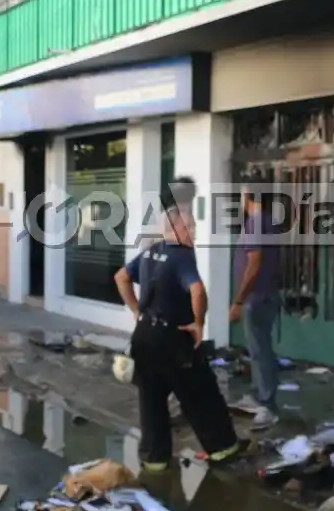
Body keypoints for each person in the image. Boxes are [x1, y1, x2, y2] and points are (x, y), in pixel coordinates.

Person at [114, 176, 240, 472]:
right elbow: (197, 290)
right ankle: (223, 449)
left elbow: (120, 277)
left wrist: (136, 312)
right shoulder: (181, 255)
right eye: (190, 227)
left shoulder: (149, 251)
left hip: (144, 336)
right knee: (200, 393)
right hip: (174, 338)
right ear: (175, 228)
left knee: (152, 400)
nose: (194, 231)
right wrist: (199, 323)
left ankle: (154, 460)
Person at [228, 185, 282, 430]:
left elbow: (254, 262)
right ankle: (258, 395)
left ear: (248, 197)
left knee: (260, 351)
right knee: (258, 349)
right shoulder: (268, 221)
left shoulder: (256, 223)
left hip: (256, 298)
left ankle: (268, 406)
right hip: (265, 295)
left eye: (241, 194)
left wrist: (239, 300)